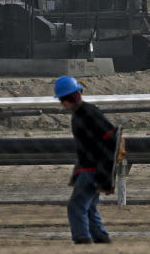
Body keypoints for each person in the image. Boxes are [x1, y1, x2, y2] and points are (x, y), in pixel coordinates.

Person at [55, 75, 116, 245]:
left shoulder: (88, 113)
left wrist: (104, 170)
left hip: (92, 169)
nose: (61, 103)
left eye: (62, 99)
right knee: (88, 207)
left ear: (70, 98)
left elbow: (111, 139)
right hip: (90, 168)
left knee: (76, 206)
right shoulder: (81, 114)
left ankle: (82, 239)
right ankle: (101, 238)